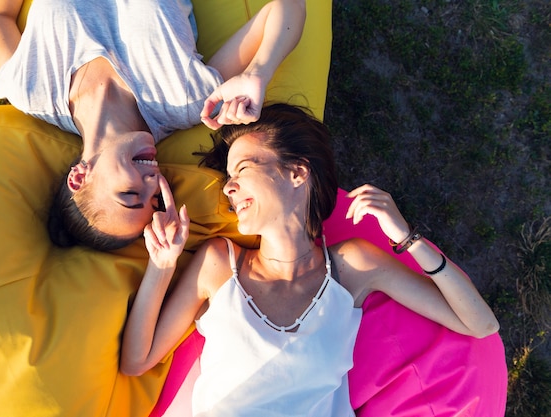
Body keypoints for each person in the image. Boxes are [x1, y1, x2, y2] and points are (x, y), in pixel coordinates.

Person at [119, 103, 500, 415]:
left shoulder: (353, 267)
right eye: (229, 176)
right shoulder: (219, 263)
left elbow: (479, 325)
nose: (230, 187)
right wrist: (162, 264)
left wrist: (406, 237)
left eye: (244, 168)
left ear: (297, 172)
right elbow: (137, 361)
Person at [0, 0, 306, 251]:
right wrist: (257, 73)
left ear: (80, 176)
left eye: (131, 193)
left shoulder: (31, 91)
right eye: (154, 197)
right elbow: (286, 7)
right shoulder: (186, 100)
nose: (152, 180)